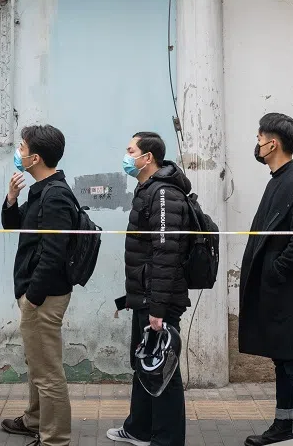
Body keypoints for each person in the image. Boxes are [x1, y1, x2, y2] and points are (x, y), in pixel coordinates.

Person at [239, 113, 293, 444]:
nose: (257, 145)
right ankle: (283, 425)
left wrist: (277, 270)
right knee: (283, 361)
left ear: (272, 143)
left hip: (291, 292)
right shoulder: (278, 180)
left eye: (259, 139)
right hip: (277, 292)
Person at [107, 132, 193, 446]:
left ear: (148, 158)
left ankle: (168, 440)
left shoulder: (163, 194)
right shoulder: (149, 189)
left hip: (160, 299)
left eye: (131, 150)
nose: (126, 156)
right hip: (147, 295)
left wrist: (157, 308)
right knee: (144, 363)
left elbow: (165, 253)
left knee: (163, 370)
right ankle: (139, 429)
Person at [0, 125, 77, 446]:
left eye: (21, 148)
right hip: (35, 292)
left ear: (35, 157)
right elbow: (14, 227)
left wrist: (32, 296)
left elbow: (53, 252)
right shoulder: (40, 189)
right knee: (37, 362)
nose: (17, 153)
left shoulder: (55, 194)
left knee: (47, 371)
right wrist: (11, 199)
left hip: (43, 295)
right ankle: (34, 419)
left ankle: (55, 438)